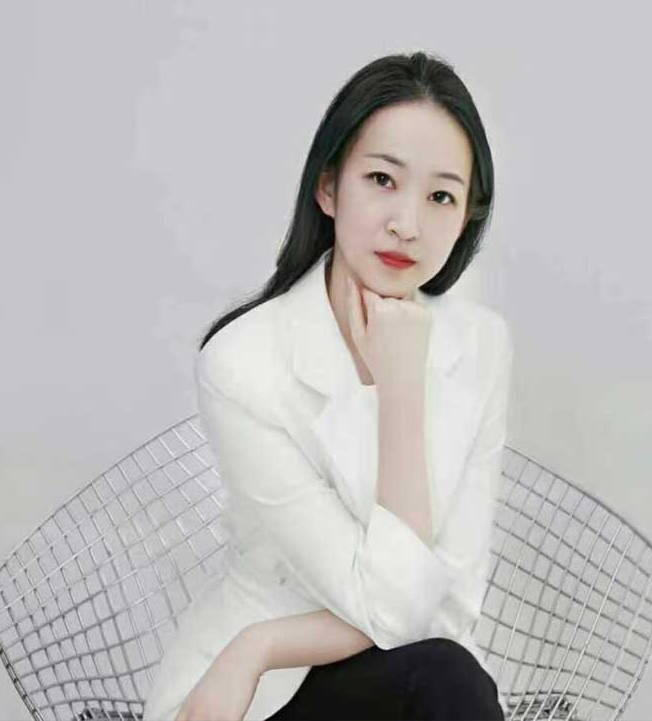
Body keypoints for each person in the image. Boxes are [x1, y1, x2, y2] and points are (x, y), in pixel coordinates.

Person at [143, 50, 512, 720]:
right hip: (264, 700)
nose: (407, 224)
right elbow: (399, 605)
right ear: (329, 188)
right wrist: (253, 657)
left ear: (466, 218)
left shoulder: (481, 345)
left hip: (354, 672)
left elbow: (448, 603)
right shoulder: (243, 363)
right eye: (382, 179)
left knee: (447, 673)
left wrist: (260, 644)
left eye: (441, 196)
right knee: (444, 677)